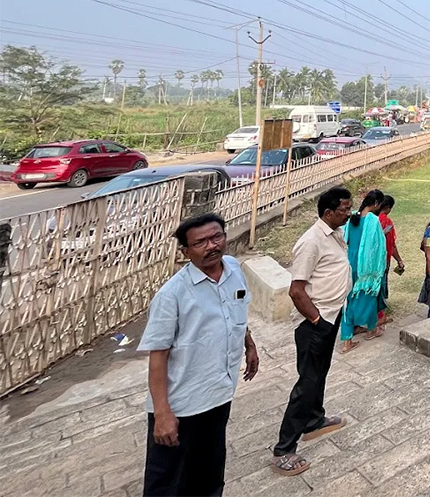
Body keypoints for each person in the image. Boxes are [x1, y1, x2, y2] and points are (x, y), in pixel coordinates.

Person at [140, 213, 257, 497]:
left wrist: (249, 344)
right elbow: (158, 357)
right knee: (167, 481)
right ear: (185, 251)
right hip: (182, 405)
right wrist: (162, 414)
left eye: (216, 237)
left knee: (209, 472)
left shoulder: (233, 269)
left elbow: (235, 311)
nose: (211, 246)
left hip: (219, 394)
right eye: (200, 242)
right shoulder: (172, 295)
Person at [271, 187, 353, 476]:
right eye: (344, 209)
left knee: (320, 372)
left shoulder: (335, 234)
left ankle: (313, 420)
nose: (349, 212)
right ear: (328, 213)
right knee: (307, 381)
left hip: (330, 316)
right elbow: (296, 291)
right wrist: (318, 322)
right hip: (315, 322)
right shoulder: (311, 241)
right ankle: (284, 449)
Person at [339, 192, 387, 352]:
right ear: (375, 204)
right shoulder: (373, 220)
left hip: (349, 262)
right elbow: (379, 246)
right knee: (369, 296)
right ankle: (371, 329)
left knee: (347, 299)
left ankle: (347, 338)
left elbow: (345, 239)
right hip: (366, 266)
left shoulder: (352, 217)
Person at [378, 194, 405, 327]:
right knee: (381, 285)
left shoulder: (368, 218)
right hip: (382, 260)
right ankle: (380, 316)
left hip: (368, 261)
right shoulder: (386, 222)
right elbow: (391, 245)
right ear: (388, 208)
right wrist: (399, 260)